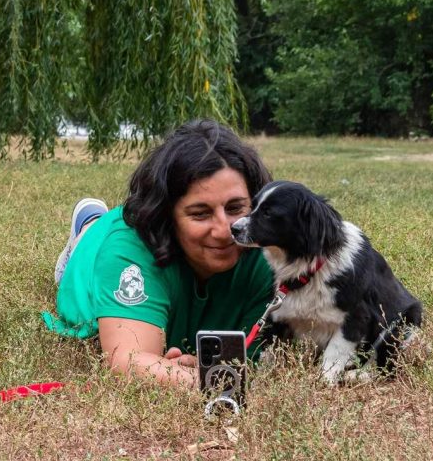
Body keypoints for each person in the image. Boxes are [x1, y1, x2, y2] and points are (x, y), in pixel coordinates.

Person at [43, 119, 276, 389]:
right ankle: (88, 225)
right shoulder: (131, 248)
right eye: (200, 213)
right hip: (97, 251)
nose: (225, 231)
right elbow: (127, 362)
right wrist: (208, 381)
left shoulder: (271, 251)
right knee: (96, 240)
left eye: (236, 208)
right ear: (166, 216)